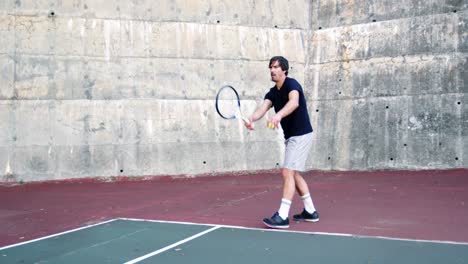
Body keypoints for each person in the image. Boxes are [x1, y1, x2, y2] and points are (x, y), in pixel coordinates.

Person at [244, 56, 319, 229]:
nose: (272, 70)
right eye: (271, 67)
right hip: (291, 137)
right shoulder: (272, 93)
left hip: (301, 135)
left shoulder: (292, 85)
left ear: (284, 70)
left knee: (287, 172)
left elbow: (294, 102)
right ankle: (310, 211)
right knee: (293, 174)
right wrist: (251, 119)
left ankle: (283, 215)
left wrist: (278, 115)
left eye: (276, 67)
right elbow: (262, 109)